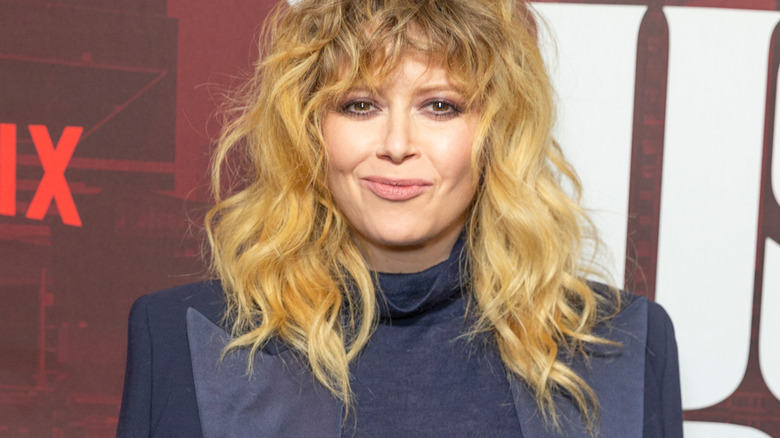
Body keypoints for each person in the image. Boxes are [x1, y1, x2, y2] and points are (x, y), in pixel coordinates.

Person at [117, 0, 683, 436]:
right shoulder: (179, 340)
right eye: (359, 104)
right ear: (309, 127)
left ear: (498, 132)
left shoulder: (624, 348)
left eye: (440, 106)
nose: (396, 144)